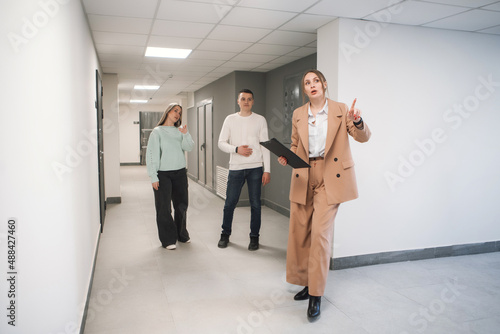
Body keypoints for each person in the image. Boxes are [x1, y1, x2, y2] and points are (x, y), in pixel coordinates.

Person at [278, 70, 371, 321]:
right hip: (303, 174)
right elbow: (296, 143)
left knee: (320, 235)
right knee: (300, 232)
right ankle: (307, 283)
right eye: (307, 83)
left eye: (315, 80)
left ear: (324, 84)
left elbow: (363, 137)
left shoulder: (341, 110)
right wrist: (288, 155)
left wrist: (358, 121)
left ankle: (316, 294)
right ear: (305, 90)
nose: (312, 85)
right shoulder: (299, 113)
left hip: (331, 178)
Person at [217, 89, 271, 251]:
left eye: (249, 99)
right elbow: (221, 142)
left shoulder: (260, 120)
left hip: (255, 168)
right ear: (238, 101)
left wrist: (267, 170)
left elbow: (266, 146)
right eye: (243, 99)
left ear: (253, 102)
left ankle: (254, 238)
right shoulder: (230, 119)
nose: (246, 101)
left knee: (255, 205)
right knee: (229, 204)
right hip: (236, 168)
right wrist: (236, 149)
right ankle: (225, 235)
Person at [146, 103, 194, 250]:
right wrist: (153, 176)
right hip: (163, 174)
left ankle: (181, 234)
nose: (177, 114)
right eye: (175, 111)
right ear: (168, 112)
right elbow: (152, 155)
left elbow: (189, 147)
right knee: (164, 208)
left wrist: (185, 134)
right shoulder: (157, 131)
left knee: (181, 206)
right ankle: (168, 240)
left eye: (179, 112)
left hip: (180, 173)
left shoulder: (180, 131)